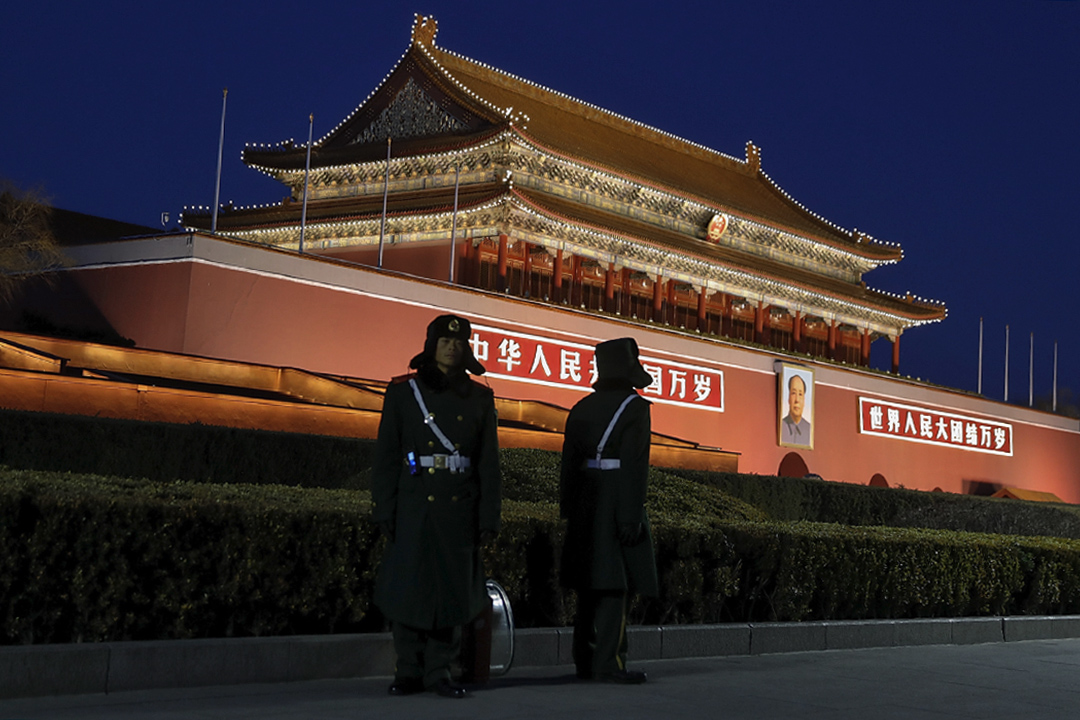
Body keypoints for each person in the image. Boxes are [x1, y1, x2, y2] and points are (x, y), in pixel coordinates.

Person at [371, 314, 501, 699]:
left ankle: (439, 671)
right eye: (444, 340)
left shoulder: (480, 397)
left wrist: (488, 515)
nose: (452, 346)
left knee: (450, 593)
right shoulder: (402, 394)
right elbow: (387, 458)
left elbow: (488, 464)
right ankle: (407, 671)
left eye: (459, 342)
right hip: (414, 504)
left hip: (457, 508)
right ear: (431, 345)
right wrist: (384, 508)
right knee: (410, 589)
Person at [560, 337, 659, 685]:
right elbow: (635, 466)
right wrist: (630, 517)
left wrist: (568, 508)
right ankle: (609, 662)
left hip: (585, 503)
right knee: (615, 586)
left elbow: (568, 464)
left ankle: (583, 660)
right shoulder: (635, 408)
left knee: (588, 584)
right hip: (617, 501)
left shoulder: (581, 407)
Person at [781, 373, 811, 445]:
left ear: (804, 400)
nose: (797, 400)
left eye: (800, 394)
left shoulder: (809, 429)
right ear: (789, 398)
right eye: (794, 393)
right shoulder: (781, 426)